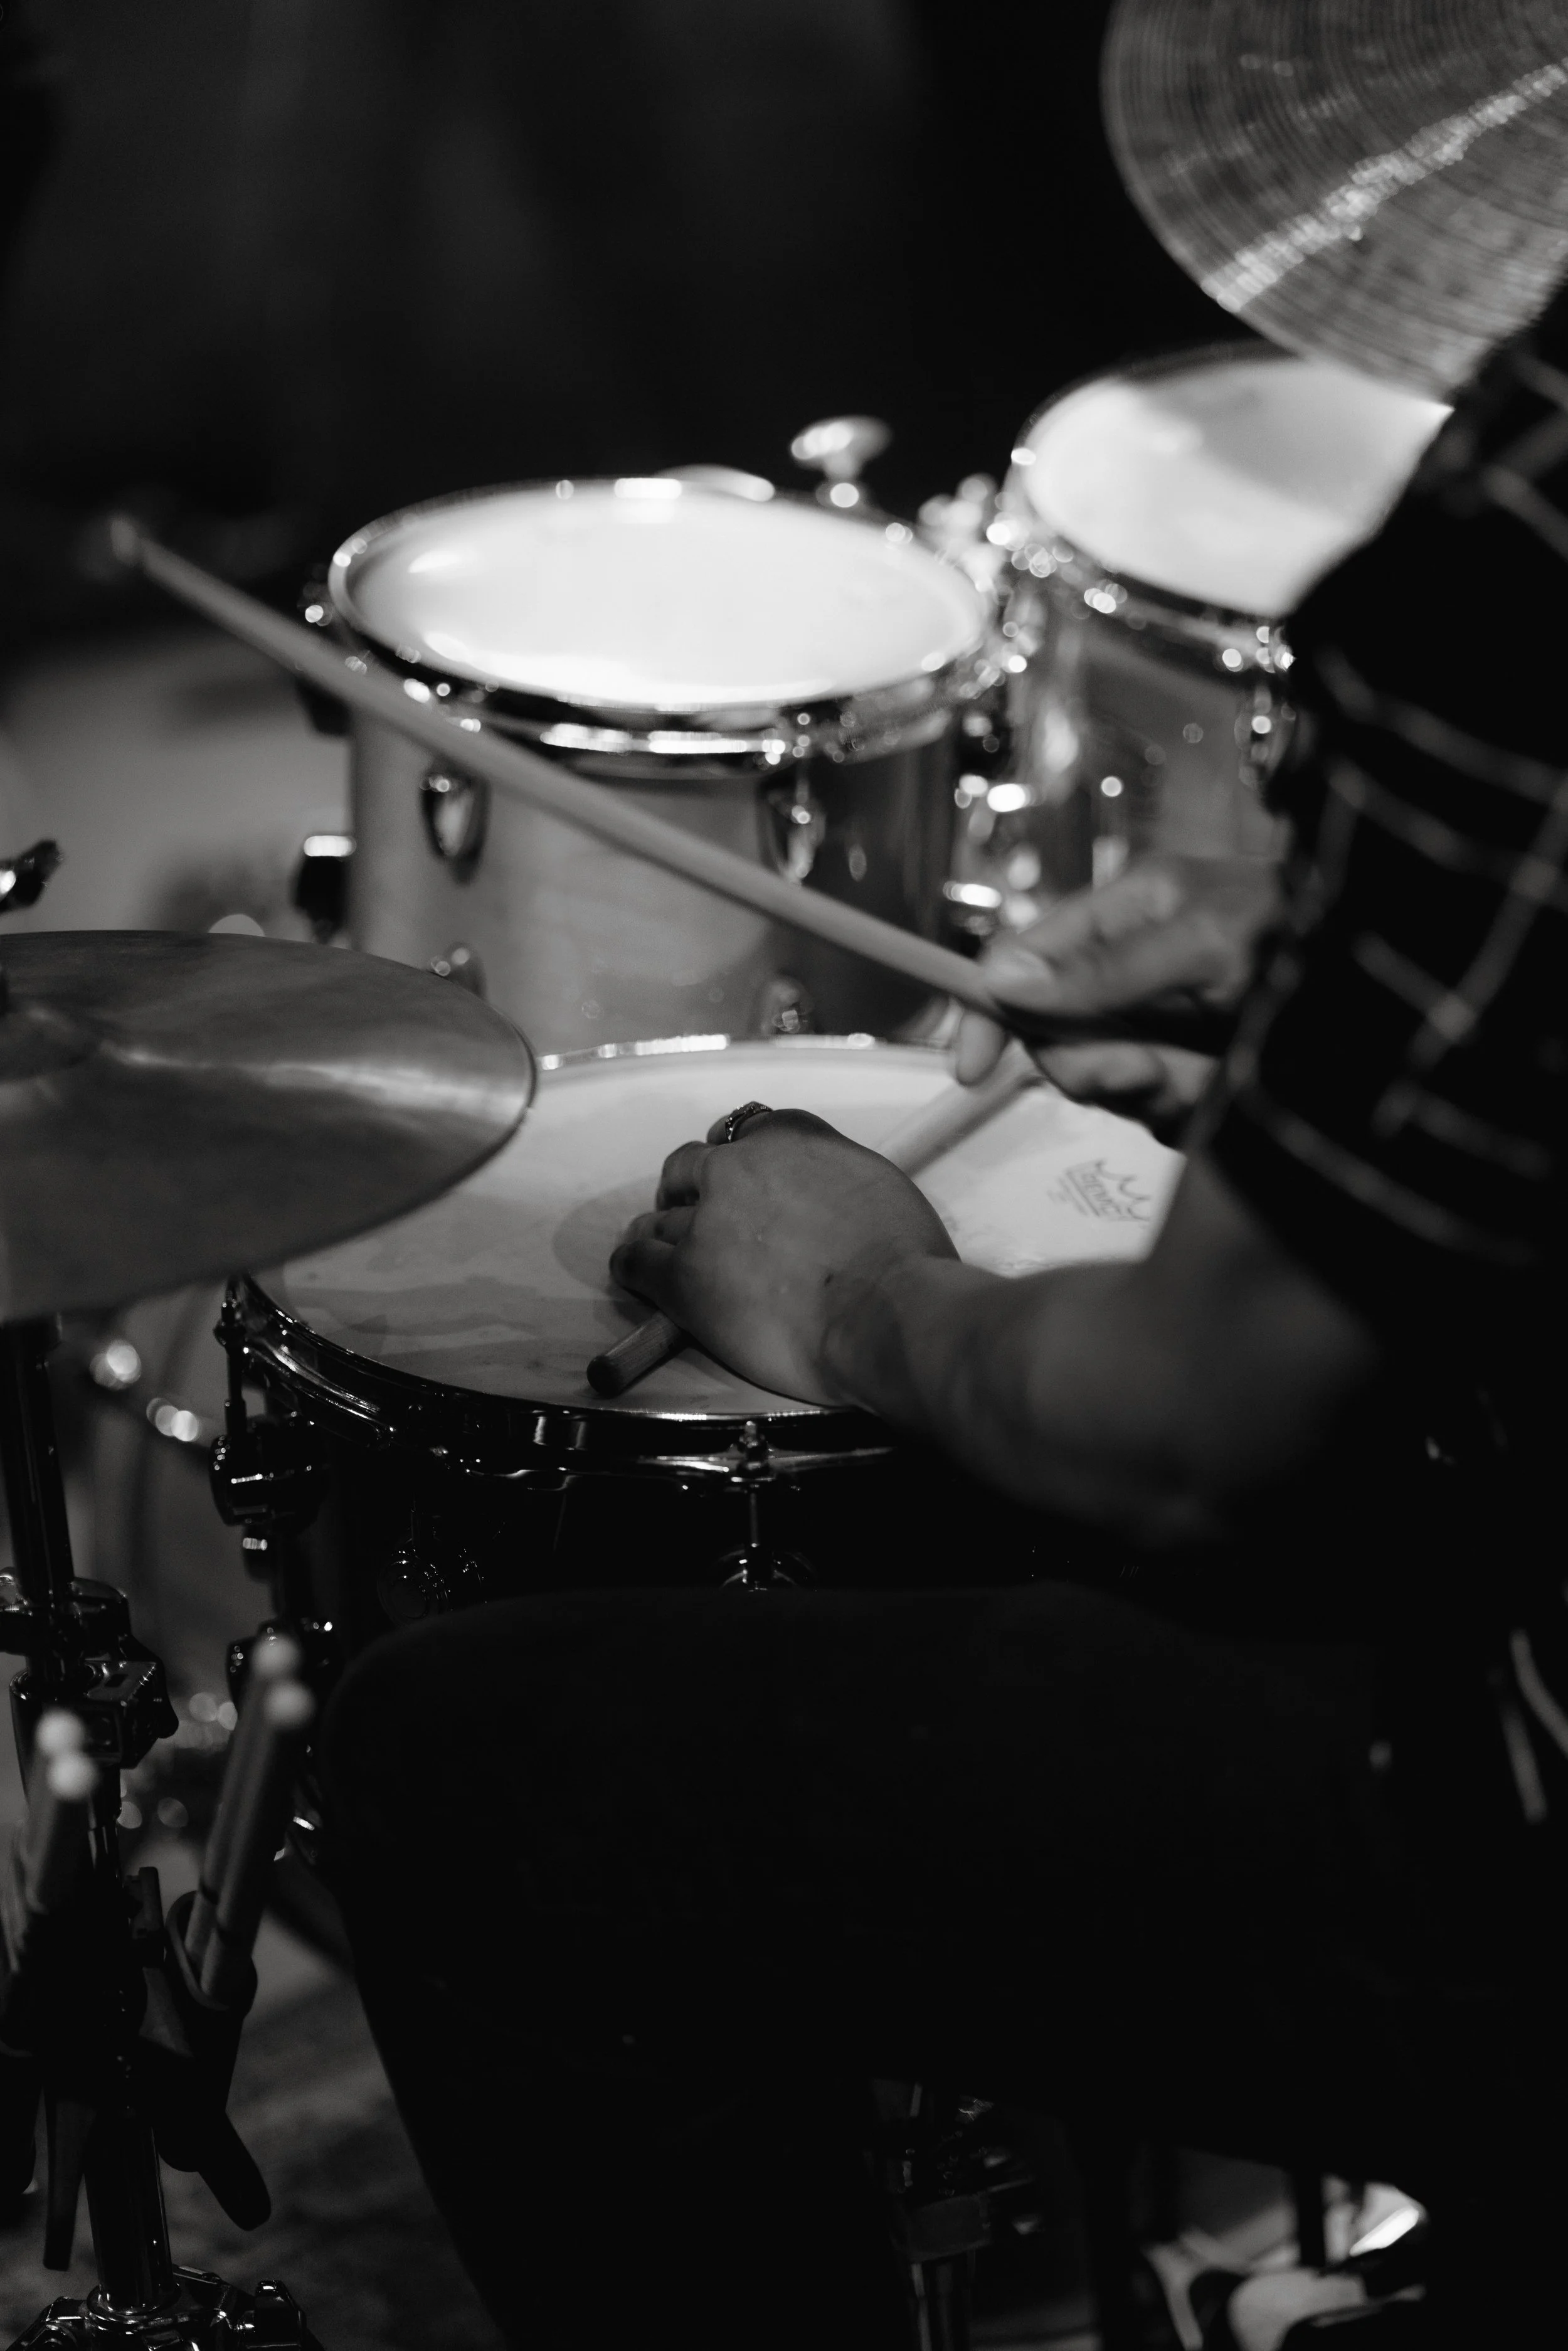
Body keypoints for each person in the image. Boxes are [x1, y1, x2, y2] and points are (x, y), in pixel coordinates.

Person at [322, 263, 1568, 2351]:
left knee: (477, 1781)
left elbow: (1193, 1425)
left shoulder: (1526, 532)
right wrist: (1354, 1017)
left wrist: (867, 1295)